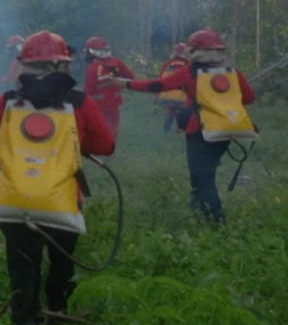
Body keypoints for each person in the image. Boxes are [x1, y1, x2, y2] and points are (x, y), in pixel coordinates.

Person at [0, 31, 115, 325]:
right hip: (62, 200)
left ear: (24, 64)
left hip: (13, 199)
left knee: (23, 260)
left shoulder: (9, 100)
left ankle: (26, 322)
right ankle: (58, 307)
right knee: (62, 258)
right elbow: (107, 146)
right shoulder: (79, 102)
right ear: (63, 64)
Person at [106, 29, 256, 224]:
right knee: (204, 171)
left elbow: (158, 86)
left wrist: (125, 84)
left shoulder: (190, 73)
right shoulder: (233, 72)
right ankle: (199, 207)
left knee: (203, 176)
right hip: (228, 130)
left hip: (200, 131)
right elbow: (249, 98)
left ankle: (216, 218)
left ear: (193, 51)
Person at [82, 37, 134, 138]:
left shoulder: (92, 68)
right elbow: (130, 77)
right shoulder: (117, 62)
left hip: (98, 105)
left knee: (99, 126)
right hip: (115, 102)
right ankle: (111, 145)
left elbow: (89, 90)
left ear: (91, 52)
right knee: (113, 125)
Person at [155, 42, 191, 133]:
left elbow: (160, 79)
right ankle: (180, 129)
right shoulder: (188, 64)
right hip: (182, 94)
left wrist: (158, 94)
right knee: (181, 110)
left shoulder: (166, 64)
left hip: (167, 93)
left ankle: (166, 130)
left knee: (170, 110)